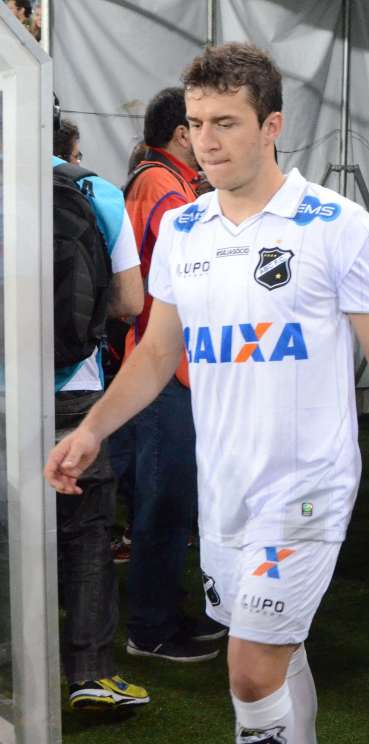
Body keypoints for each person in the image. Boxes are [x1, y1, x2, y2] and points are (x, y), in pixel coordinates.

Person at [45, 42, 369, 744]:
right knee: (281, 652)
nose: (205, 141)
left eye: (226, 122)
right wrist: (93, 430)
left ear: (271, 126)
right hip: (224, 489)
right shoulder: (187, 228)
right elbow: (157, 352)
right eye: (196, 123)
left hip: (305, 485)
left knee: (249, 669)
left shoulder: (340, 227)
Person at [119, 86, 223, 662]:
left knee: (172, 498)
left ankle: (164, 610)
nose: (211, 139)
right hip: (164, 370)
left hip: (177, 367)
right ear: (183, 132)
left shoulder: (164, 181)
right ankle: (150, 629)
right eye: (203, 126)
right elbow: (196, 250)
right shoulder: (160, 184)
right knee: (164, 501)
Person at [52, 123, 149, 709]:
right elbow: (131, 302)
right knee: (87, 531)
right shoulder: (96, 192)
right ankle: (89, 672)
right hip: (75, 387)